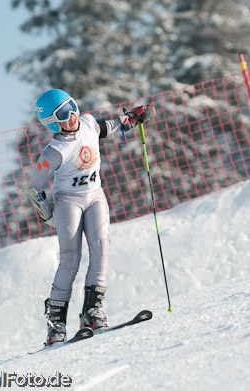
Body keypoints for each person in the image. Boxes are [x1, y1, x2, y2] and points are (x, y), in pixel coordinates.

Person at [27, 89, 156, 345]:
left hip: (95, 195)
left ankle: (92, 311)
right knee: (70, 259)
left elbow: (109, 126)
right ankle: (56, 323)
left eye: (72, 106)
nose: (72, 115)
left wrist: (134, 116)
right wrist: (47, 215)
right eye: (63, 113)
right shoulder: (53, 151)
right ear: (52, 123)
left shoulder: (86, 123)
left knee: (101, 248)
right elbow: (34, 186)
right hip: (68, 202)